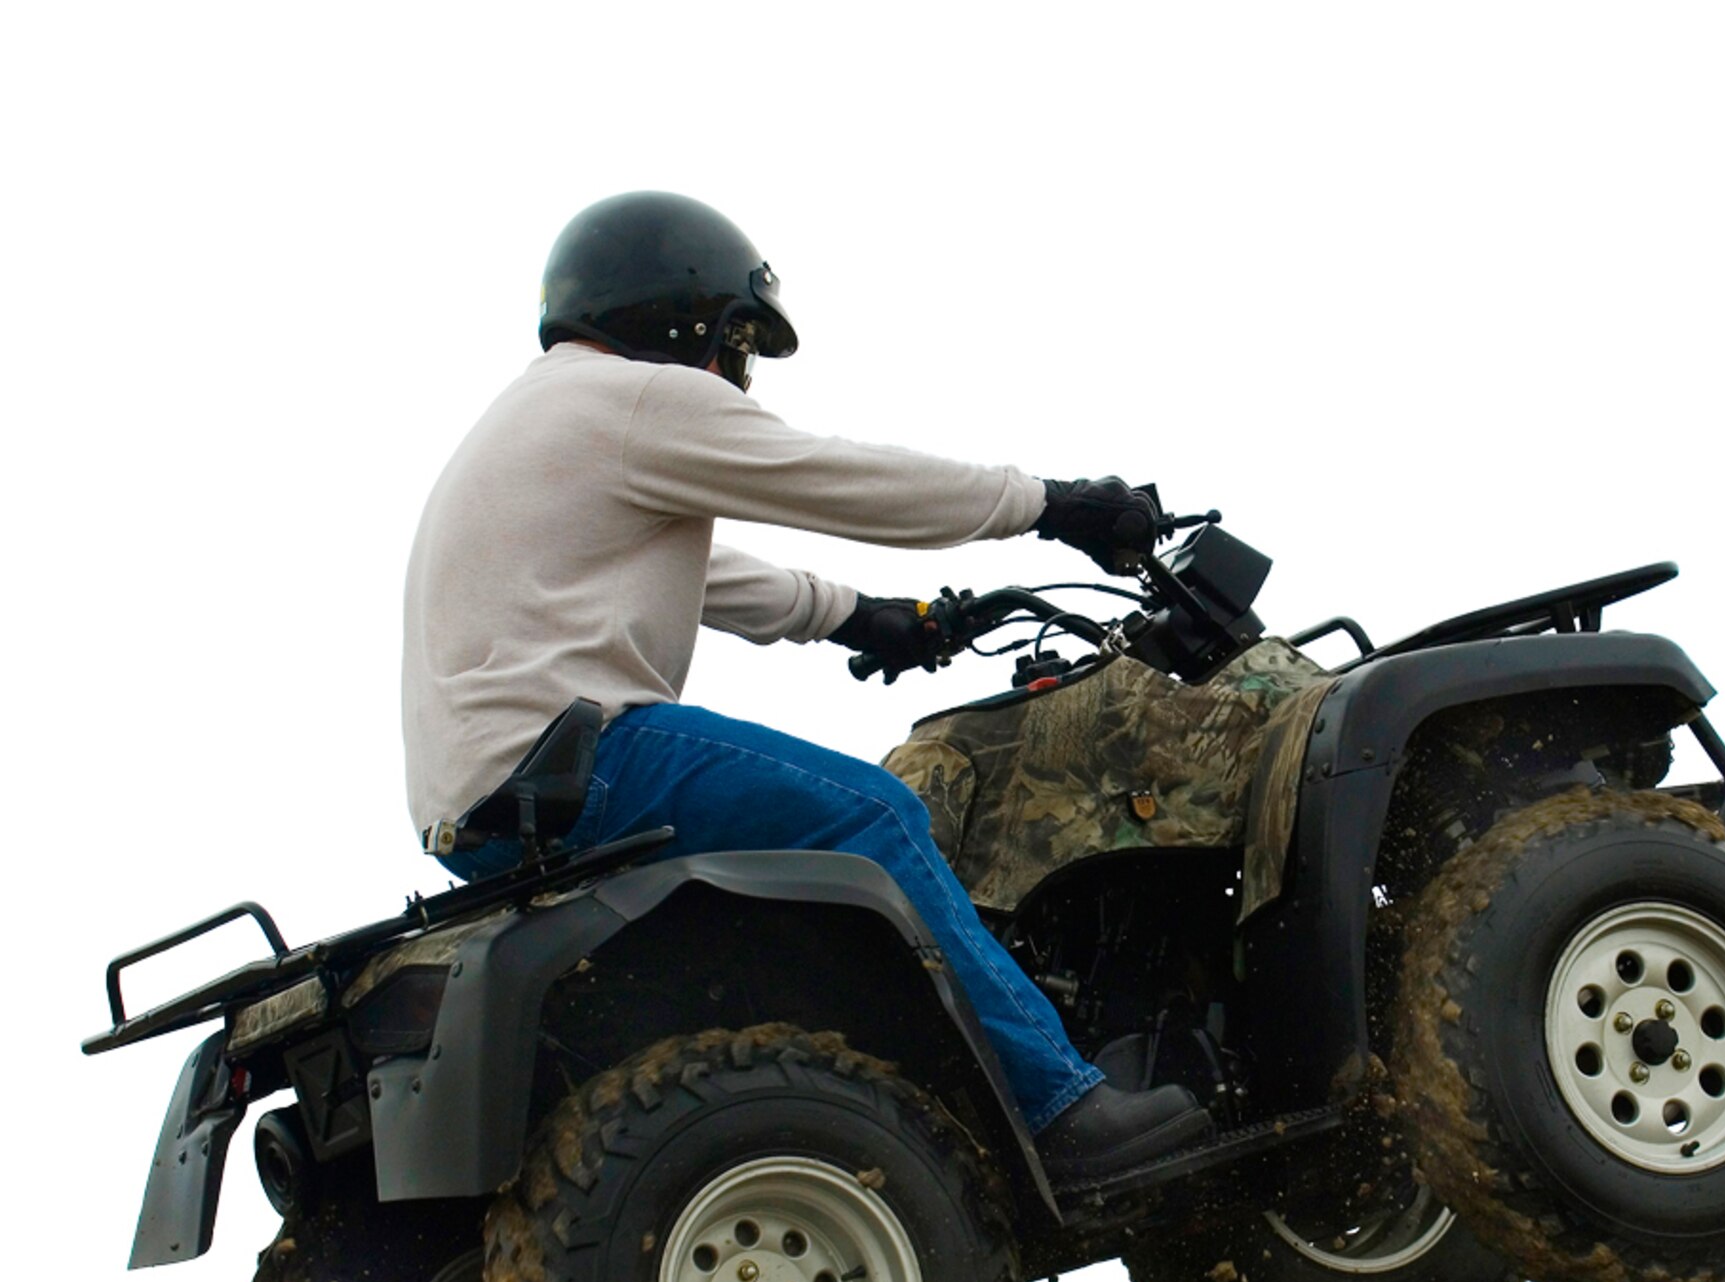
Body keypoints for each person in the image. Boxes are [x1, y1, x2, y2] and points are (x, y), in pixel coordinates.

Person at [402, 190, 1212, 1183]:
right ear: (679, 314)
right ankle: (1058, 1109)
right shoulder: (632, 398)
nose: (734, 378)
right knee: (875, 814)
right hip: (577, 751)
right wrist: (1051, 504)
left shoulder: (548, 416)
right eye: (734, 345)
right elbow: (836, 477)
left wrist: (860, 617)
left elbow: (717, 580)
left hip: (475, 809)